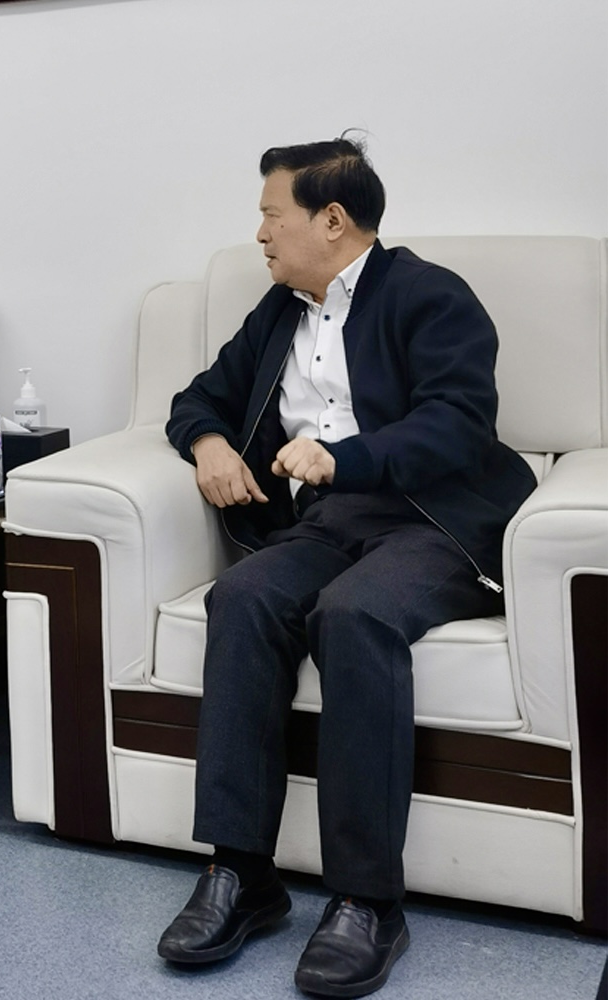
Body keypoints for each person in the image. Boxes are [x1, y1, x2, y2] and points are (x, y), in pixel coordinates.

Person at [157, 137, 535, 997]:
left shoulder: (430, 295)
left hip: (432, 519)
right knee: (242, 596)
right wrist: (209, 443)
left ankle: (367, 901)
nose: (260, 234)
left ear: (331, 220)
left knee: (355, 613)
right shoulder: (278, 312)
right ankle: (241, 874)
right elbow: (199, 397)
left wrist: (344, 457)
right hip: (327, 521)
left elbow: (459, 423)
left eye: (271, 215)